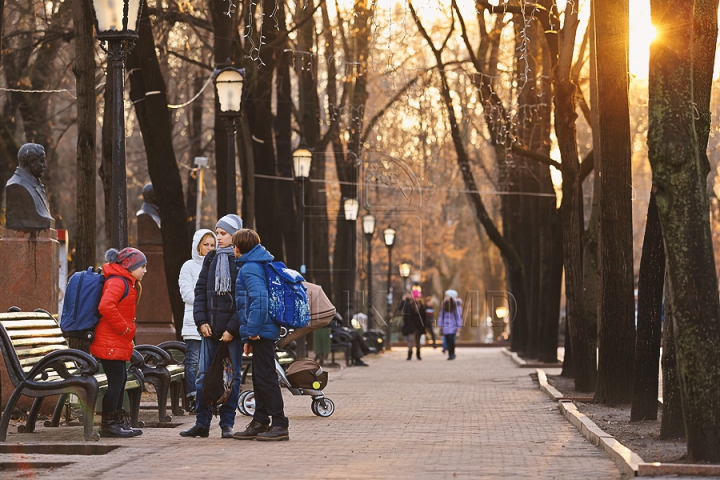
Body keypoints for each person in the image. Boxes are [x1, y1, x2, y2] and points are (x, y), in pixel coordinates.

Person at [180, 214, 244, 439]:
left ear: (235, 235)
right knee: (202, 377)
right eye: (217, 233)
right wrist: (201, 322)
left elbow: (243, 299)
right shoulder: (211, 259)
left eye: (223, 233)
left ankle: (227, 423)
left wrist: (231, 329)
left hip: (232, 334)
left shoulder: (240, 261)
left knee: (232, 378)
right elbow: (200, 293)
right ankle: (202, 422)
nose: (218, 238)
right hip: (209, 331)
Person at [232, 229, 290, 441]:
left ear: (238, 247)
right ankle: (260, 420)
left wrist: (252, 332)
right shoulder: (257, 264)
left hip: (262, 330)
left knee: (266, 378)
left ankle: (280, 422)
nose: (233, 249)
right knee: (259, 377)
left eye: (233, 245)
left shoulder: (250, 268)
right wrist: (248, 337)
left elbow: (259, 301)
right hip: (261, 330)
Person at [90, 247, 147, 438]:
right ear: (130, 266)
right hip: (109, 340)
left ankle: (115, 420)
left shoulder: (127, 282)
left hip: (116, 341)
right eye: (142, 266)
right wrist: (124, 328)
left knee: (120, 380)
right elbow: (106, 305)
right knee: (116, 382)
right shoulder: (117, 281)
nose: (145, 270)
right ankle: (108, 424)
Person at [178, 228, 217, 412]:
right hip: (193, 324)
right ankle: (193, 397)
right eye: (205, 245)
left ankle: (209, 397)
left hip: (214, 323)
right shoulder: (189, 266)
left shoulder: (218, 265)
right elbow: (186, 294)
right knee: (192, 362)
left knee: (210, 363)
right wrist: (208, 297)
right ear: (198, 246)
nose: (209, 248)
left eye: (212, 245)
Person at [5, 143, 54, 230]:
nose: (45, 165)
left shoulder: (36, 184)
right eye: (41, 161)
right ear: (31, 162)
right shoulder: (16, 185)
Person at [399, 289, 426, 360]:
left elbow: (425, 318)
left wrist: (425, 326)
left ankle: (418, 354)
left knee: (418, 341)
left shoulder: (422, 307)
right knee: (411, 340)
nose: (418, 299)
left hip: (419, 326)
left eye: (419, 297)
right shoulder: (409, 305)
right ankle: (409, 354)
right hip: (411, 326)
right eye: (417, 297)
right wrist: (403, 300)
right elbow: (401, 309)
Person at [437, 294, 463, 360]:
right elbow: (441, 316)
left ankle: (452, 353)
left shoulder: (456, 306)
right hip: (445, 326)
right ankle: (449, 354)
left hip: (453, 325)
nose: (447, 297)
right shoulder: (444, 305)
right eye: (446, 296)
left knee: (452, 340)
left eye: (448, 296)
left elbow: (458, 317)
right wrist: (440, 324)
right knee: (447, 340)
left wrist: (459, 326)